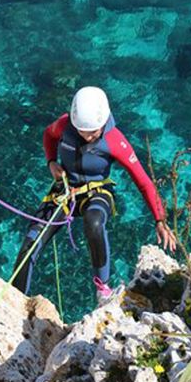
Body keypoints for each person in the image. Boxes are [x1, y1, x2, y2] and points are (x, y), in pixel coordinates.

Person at [11, 86, 177, 305]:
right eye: (82, 130)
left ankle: (102, 287)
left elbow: (143, 181)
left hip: (97, 191)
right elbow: (48, 135)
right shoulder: (64, 125)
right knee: (31, 241)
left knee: (94, 222)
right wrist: (51, 161)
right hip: (66, 189)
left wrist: (160, 219)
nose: (87, 136)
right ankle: (14, 300)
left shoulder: (115, 140)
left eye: (93, 131)